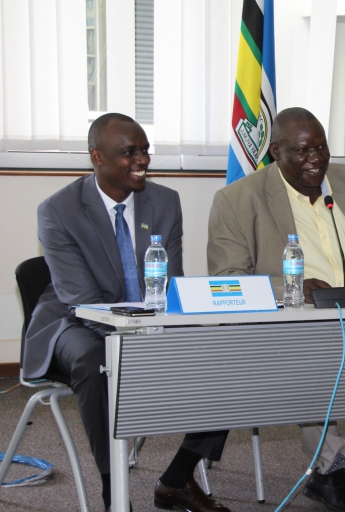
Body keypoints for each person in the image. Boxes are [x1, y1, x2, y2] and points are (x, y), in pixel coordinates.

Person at [207, 107, 345, 512]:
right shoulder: (238, 199)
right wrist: (293, 286)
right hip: (299, 324)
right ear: (275, 152)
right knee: (314, 379)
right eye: (302, 151)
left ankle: (344, 468)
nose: (316, 159)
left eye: (321, 148)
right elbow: (228, 279)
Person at [24, 113, 230, 512]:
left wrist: (170, 330)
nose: (142, 160)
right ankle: (112, 486)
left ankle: (176, 480)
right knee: (97, 359)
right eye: (129, 152)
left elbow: (170, 282)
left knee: (221, 348)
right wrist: (142, 339)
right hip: (74, 318)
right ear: (97, 157)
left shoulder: (165, 201)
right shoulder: (58, 210)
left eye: (145, 151)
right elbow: (82, 299)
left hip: (148, 314)